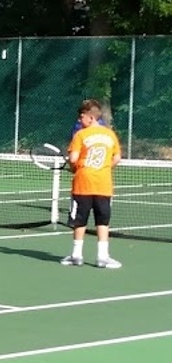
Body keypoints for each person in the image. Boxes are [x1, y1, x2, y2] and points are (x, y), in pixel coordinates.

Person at [61, 99, 122, 269]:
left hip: (83, 183)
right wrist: (102, 167)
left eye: (82, 117)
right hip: (103, 184)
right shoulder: (110, 134)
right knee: (103, 221)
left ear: (91, 118)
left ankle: (76, 256)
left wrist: (75, 167)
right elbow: (116, 157)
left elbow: (73, 159)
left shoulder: (80, 135)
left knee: (80, 220)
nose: (79, 120)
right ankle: (103, 257)